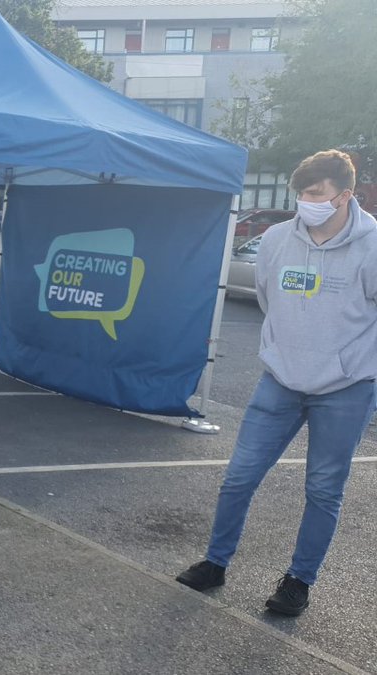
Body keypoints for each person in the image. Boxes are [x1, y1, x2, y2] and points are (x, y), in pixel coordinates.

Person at [176, 150, 377, 616]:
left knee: (323, 489)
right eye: (301, 193)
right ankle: (215, 563)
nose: (306, 201)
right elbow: (269, 299)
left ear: (345, 195)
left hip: (346, 388)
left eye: (316, 193)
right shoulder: (277, 239)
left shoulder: (371, 245)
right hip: (281, 380)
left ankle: (298, 582)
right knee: (239, 477)